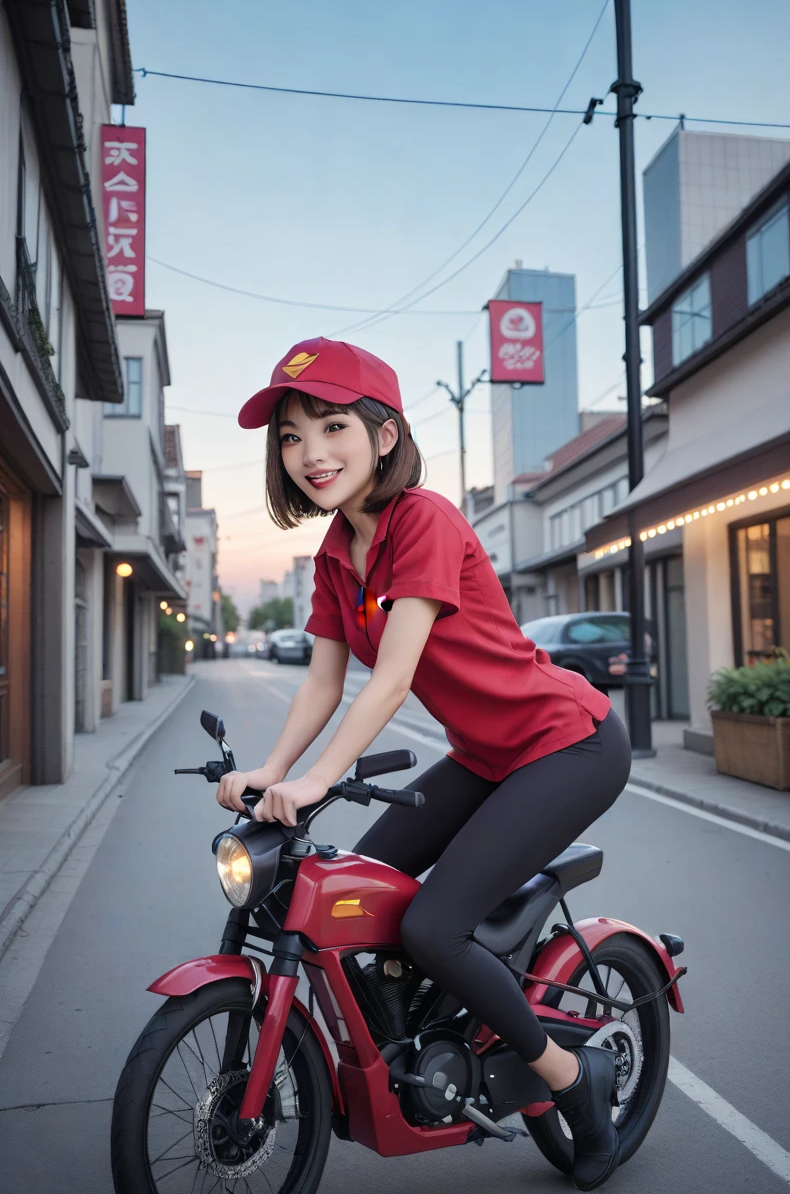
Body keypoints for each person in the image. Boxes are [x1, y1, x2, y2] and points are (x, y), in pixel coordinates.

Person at [218, 336, 632, 1191]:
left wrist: (317, 780)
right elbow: (324, 684)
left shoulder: (425, 520)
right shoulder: (337, 551)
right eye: (290, 436)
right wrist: (272, 769)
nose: (309, 453)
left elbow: (392, 676)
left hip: (568, 744)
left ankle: (569, 1077)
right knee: (360, 884)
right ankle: (434, 1040)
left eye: (331, 426)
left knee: (431, 926)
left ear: (383, 432)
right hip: (485, 755)